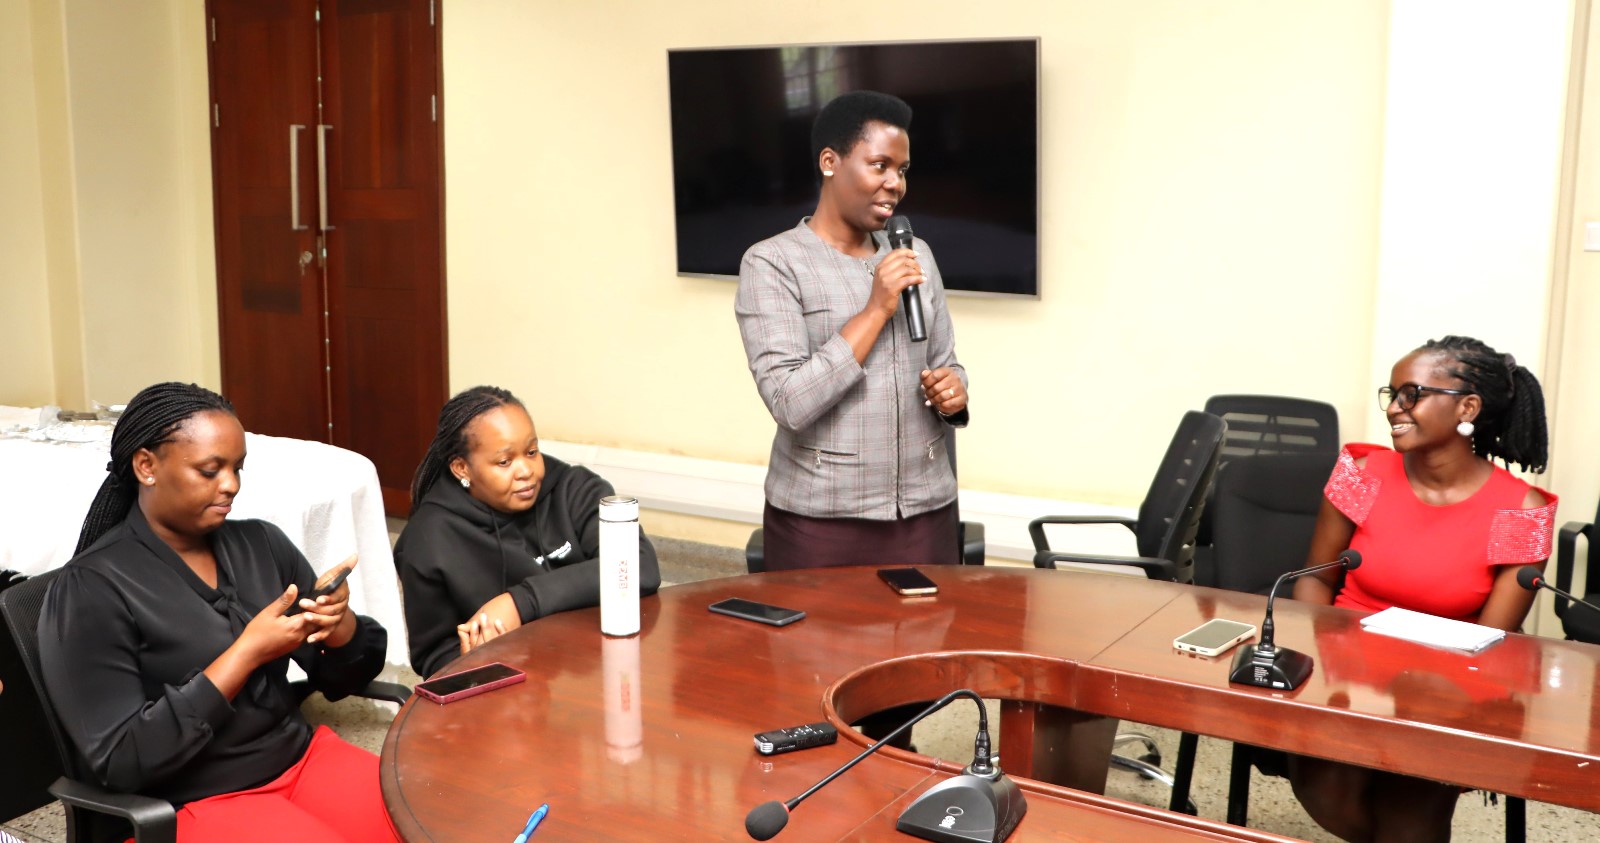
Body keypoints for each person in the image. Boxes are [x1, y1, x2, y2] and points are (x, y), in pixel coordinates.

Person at [37, 382, 396, 842]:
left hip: (300, 761)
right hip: (192, 799)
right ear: (146, 466)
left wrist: (339, 625)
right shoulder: (92, 588)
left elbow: (341, 681)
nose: (231, 485)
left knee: (431, 817)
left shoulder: (262, 545)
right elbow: (120, 760)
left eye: (236, 468)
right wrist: (245, 654)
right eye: (210, 470)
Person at [1289, 336, 1558, 842]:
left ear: (1467, 407)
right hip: (1345, 672)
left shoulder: (1522, 509)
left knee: (1411, 819)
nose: (1394, 408)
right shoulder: (1362, 472)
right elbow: (1316, 579)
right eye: (1391, 394)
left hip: (1446, 688)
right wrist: (1320, 668)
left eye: (1411, 394)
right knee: (1326, 791)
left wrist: (1425, 699)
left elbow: (1493, 636)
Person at [735, 90, 970, 570]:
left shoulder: (916, 253)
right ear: (830, 161)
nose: (895, 184)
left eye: (901, 170)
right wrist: (875, 309)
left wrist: (955, 392)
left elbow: (946, 361)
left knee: (928, 643)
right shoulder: (772, 263)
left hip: (924, 515)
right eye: (879, 165)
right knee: (817, 648)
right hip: (820, 524)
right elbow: (790, 401)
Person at [397, 386, 662, 678]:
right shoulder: (428, 539)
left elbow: (639, 566)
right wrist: (469, 656)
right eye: (504, 461)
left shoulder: (574, 489)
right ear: (462, 468)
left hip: (597, 668)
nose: (526, 471)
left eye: (532, 452)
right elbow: (432, 657)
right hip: (509, 693)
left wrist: (518, 603)